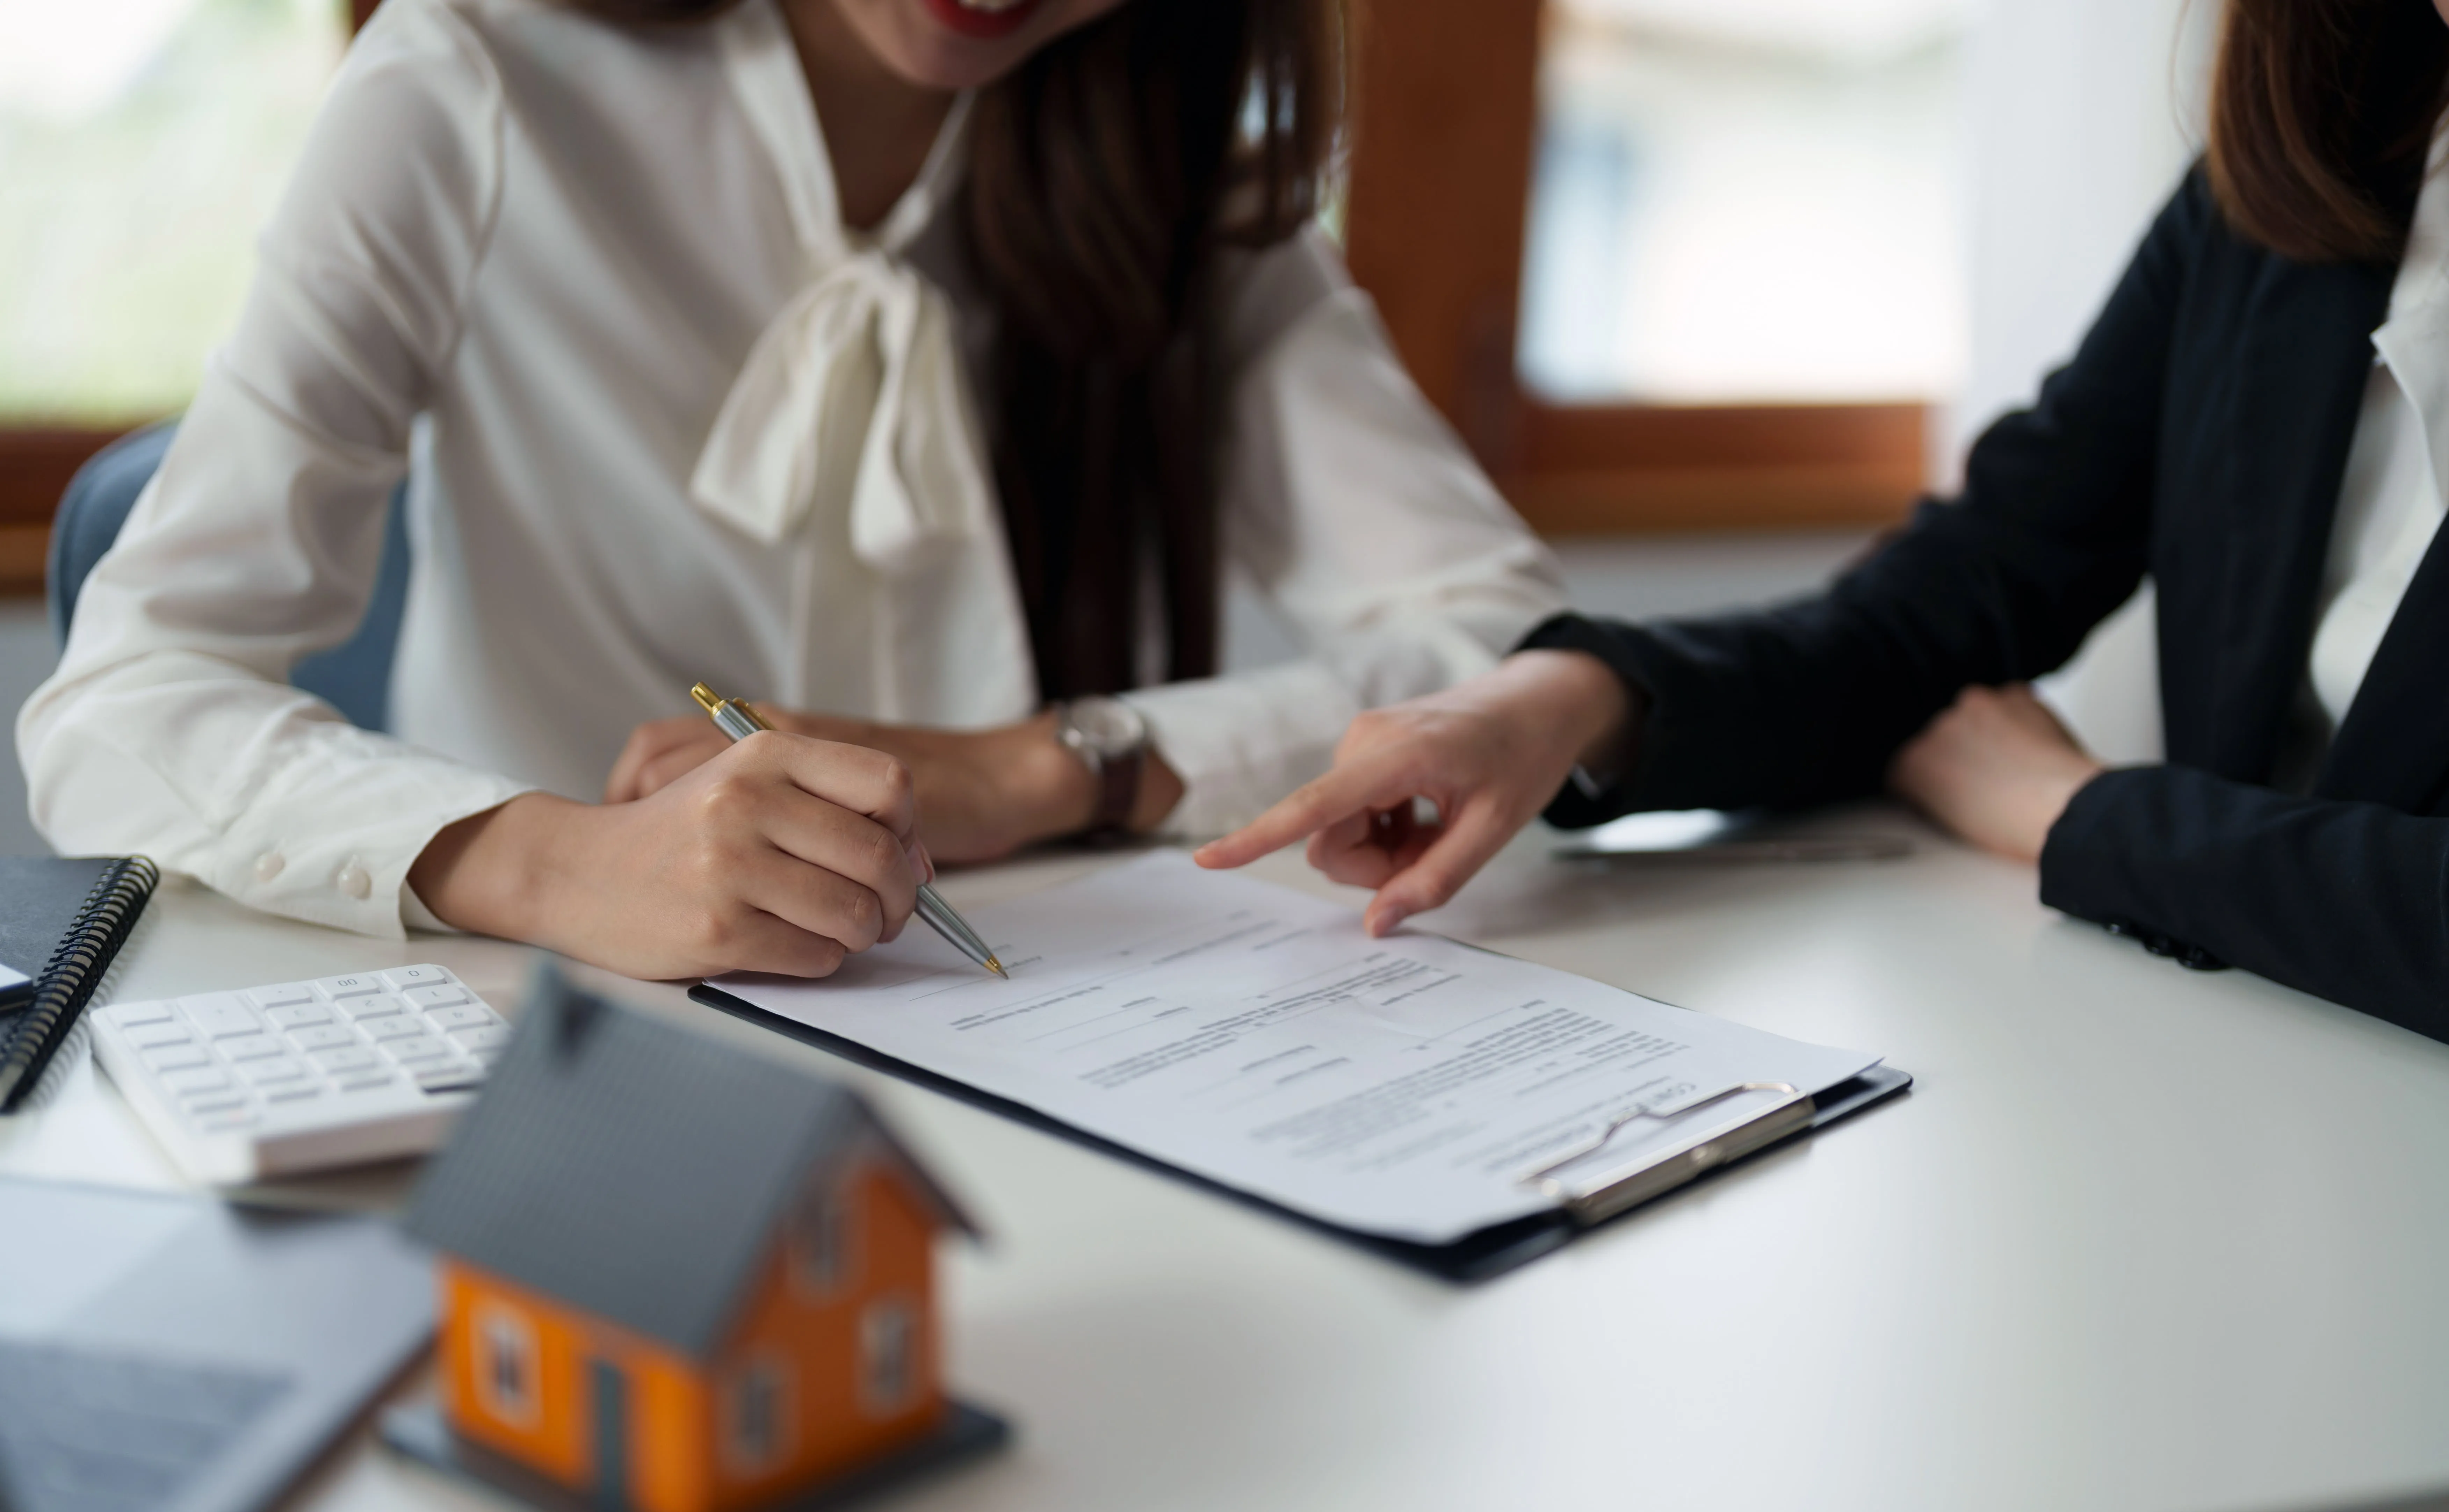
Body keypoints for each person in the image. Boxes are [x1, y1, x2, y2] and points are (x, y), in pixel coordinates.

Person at [19, 0, 1563, 981]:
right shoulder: (472, 81)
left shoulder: (1172, 159)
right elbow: (128, 701)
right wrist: (558, 860)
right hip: (527, 1027)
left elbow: (1513, 650)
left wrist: (1056, 765)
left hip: (1027, 1028)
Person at [1200, 0, 2449, 1047]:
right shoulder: (2318, 167)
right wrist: (1578, 699)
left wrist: (2088, 816)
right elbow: (1965, 588)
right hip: (2262, 1087)